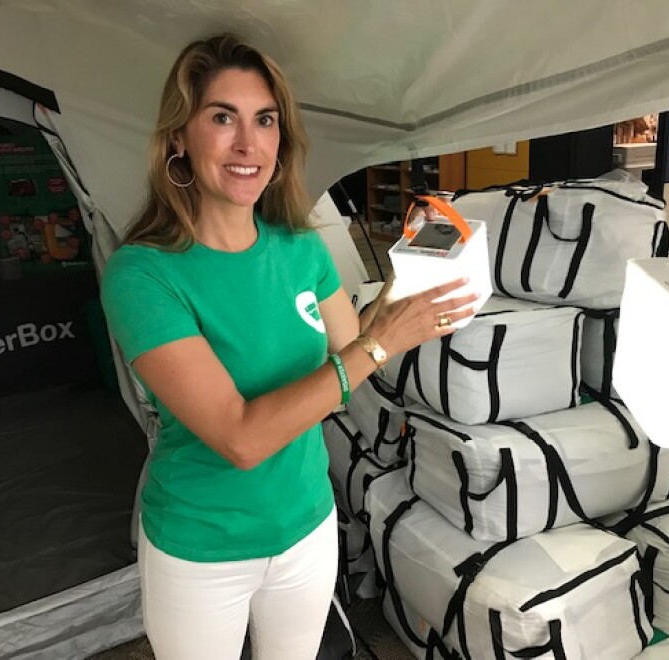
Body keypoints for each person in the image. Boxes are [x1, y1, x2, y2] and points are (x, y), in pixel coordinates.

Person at [100, 33, 478, 660]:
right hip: (203, 543)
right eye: (223, 117)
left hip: (306, 521)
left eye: (265, 120)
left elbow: (352, 348)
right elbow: (240, 437)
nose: (249, 144)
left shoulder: (300, 248)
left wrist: (406, 292)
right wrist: (379, 346)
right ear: (178, 138)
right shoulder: (144, 274)